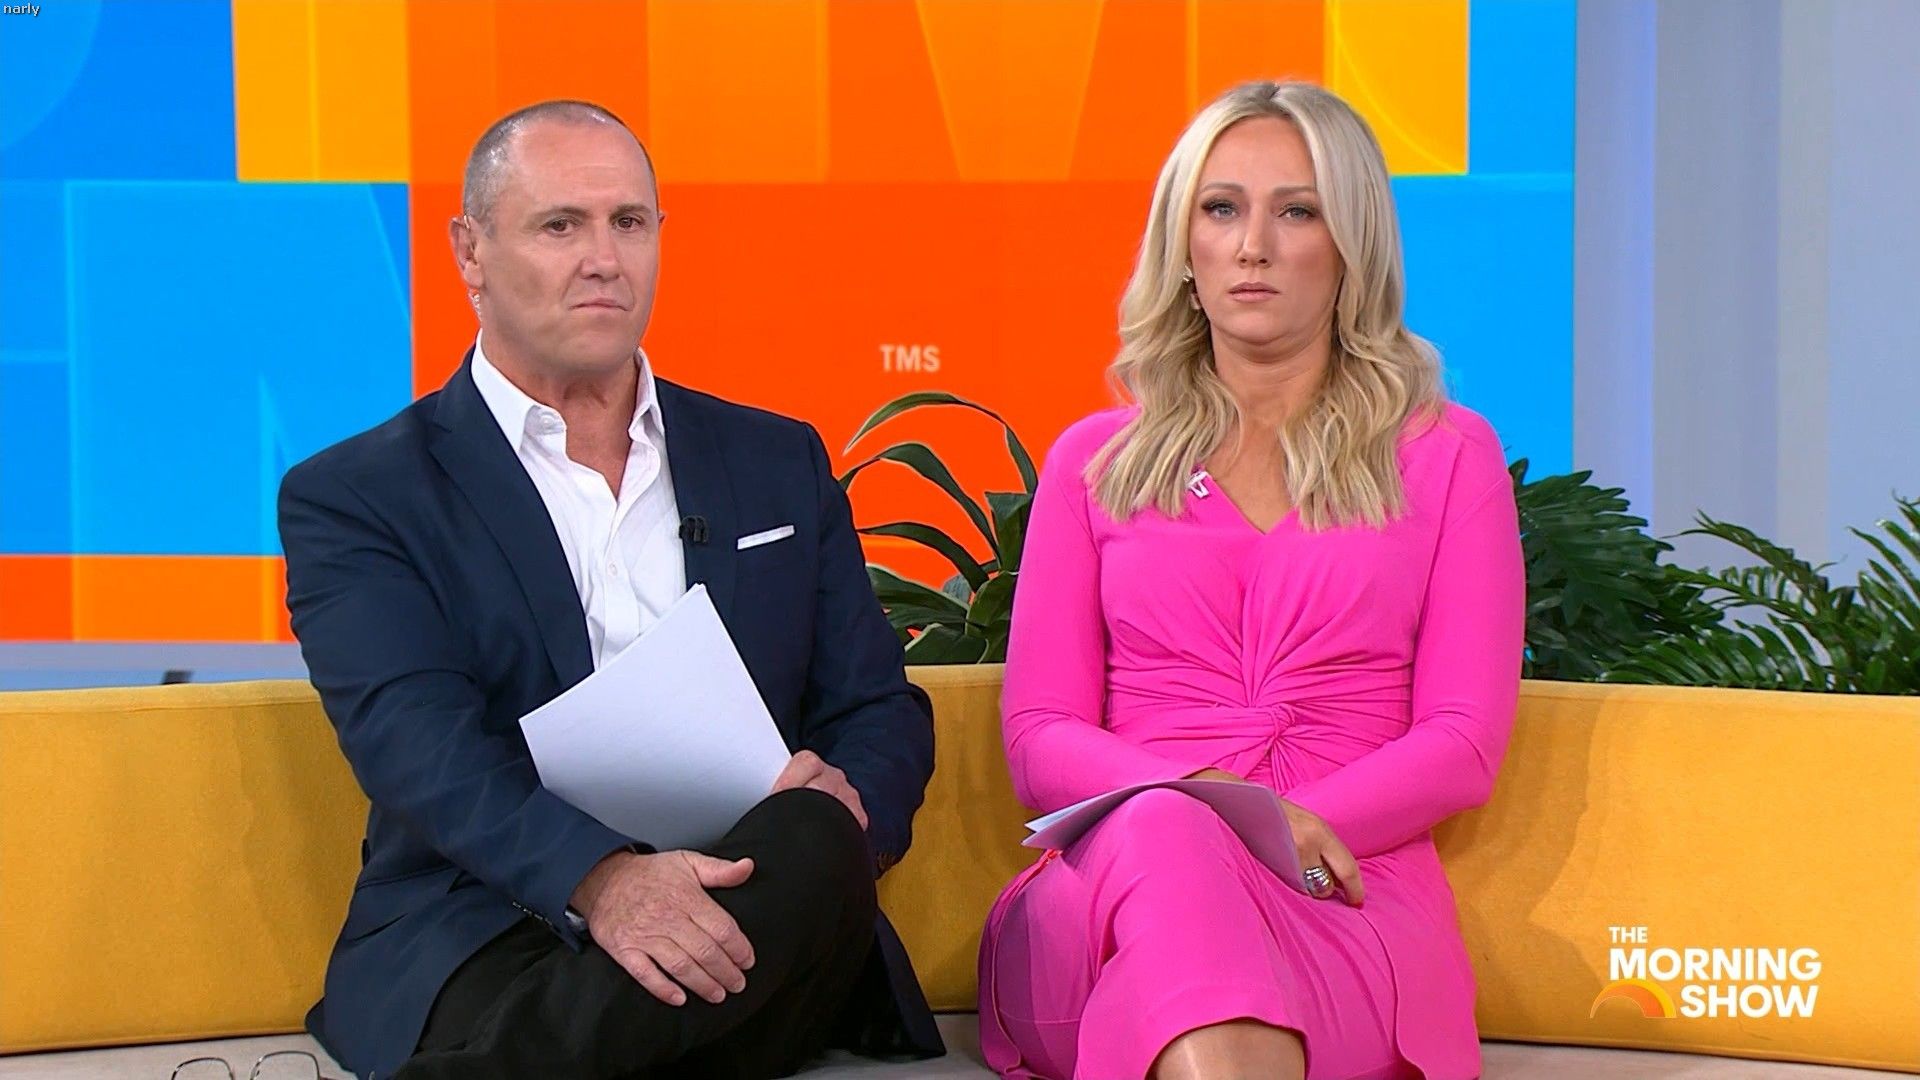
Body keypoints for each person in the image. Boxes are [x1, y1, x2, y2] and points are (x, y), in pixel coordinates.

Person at [278, 100, 943, 1080]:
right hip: (493, 919)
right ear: (469, 251)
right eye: (561, 225)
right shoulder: (361, 496)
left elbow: (877, 708)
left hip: (756, 895)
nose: (604, 259)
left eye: (629, 222)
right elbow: (418, 749)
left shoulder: (776, 461)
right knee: (653, 1017)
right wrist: (603, 880)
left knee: (813, 831)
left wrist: (852, 816)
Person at [977, 81, 1524, 1080]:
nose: (1253, 246)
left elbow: (1462, 743)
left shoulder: (1447, 456)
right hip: (1107, 900)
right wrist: (1212, 805)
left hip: (1345, 886)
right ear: (1183, 246)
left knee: (1186, 883)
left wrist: (1288, 832)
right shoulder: (1094, 462)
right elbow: (1040, 735)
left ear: (1351, 244)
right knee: (1164, 826)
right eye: (1222, 209)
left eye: (1297, 211)